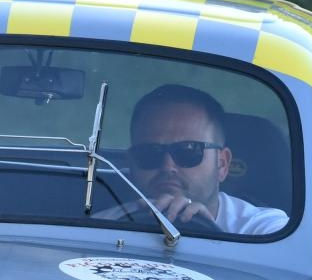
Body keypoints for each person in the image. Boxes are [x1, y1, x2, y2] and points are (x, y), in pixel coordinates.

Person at [117, 84, 288, 234]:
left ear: (222, 164)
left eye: (189, 151)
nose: (168, 166)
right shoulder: (106, 224)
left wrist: (210, 234)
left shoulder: (266, 232)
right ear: (131, 163)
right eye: (150, 152)